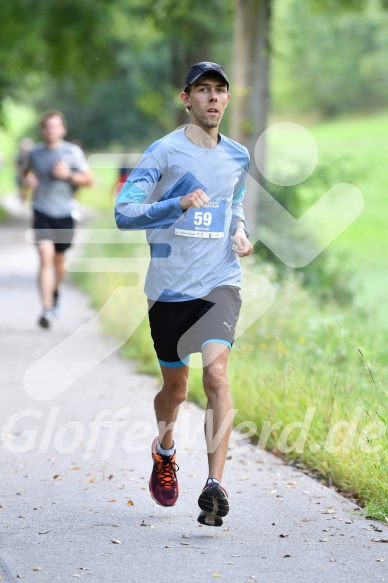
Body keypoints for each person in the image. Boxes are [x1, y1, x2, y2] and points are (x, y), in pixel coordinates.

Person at [115, 62, 253, 527]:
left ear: (227, 101)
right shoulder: (163, 153)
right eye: (203, 91)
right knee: (176, 390)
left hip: (220, 281)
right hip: (170, 289)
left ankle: (214, 485)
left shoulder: (237, 156)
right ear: (186, 99)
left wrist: (239, 230)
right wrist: (176, 203)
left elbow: (234, 203)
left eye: (220, 91)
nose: (213, 99)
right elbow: (125, 212)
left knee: (216, 377)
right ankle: (165, 450)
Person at [23, 110, 93, 329]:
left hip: (64, 213)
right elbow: (26, 173)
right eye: (47, 126)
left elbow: (89, 180)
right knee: (45, 256)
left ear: (62, 129)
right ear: (42, 129)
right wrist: (29, 182)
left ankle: (55, 294)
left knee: (58, 262)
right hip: (41, 211)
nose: (51, 130)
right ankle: (46, 309)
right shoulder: (34, 153)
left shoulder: (72, 152)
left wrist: (67, 175)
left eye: (55, 126)